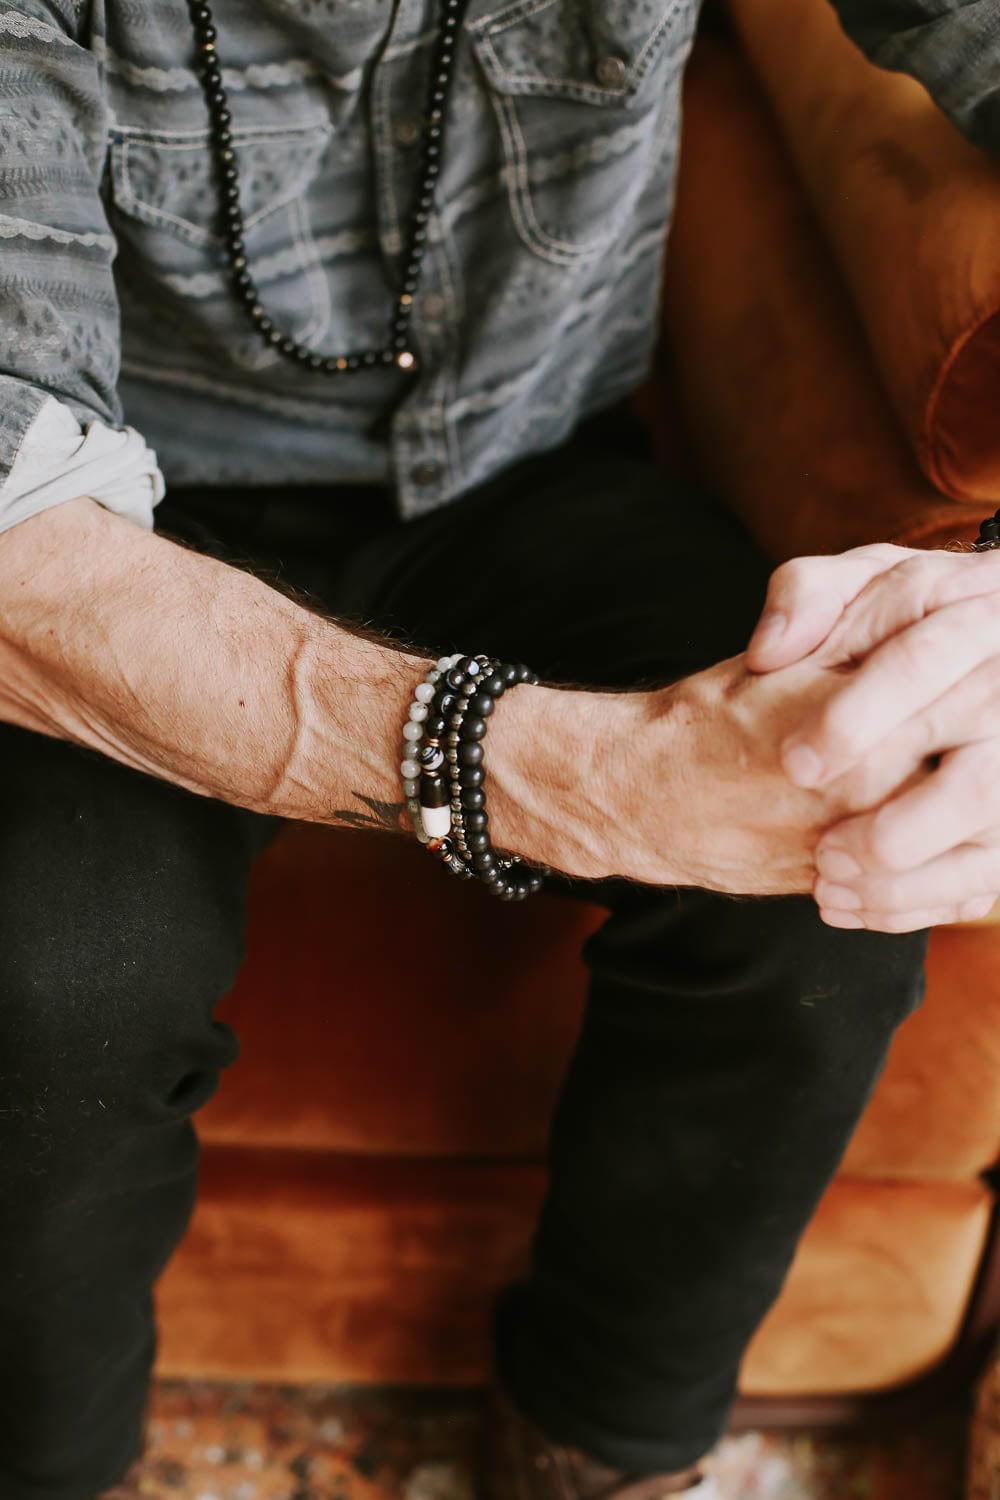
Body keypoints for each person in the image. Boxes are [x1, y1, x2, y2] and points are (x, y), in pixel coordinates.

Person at [0, 2, 998, 1496]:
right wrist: (581, 778)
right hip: (113, 529)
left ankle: (602, 1449)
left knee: (823, 877)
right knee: (50, 976)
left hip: (527, 472)